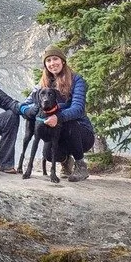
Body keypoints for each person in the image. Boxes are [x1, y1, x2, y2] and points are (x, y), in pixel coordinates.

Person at [34, 47, 93, 182]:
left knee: (68, 122)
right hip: (58, 131)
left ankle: (81, 165)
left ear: (63, 61)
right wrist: (25, 109)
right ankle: (66, 161)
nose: (52, 63)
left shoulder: (76, 80)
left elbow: (78, 109)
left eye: (55, 59)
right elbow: (29, 103)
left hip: (81, 133)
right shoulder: (43, 84)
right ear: (45, 65)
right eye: (48, 60)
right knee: (48, 154)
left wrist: (58, 117)